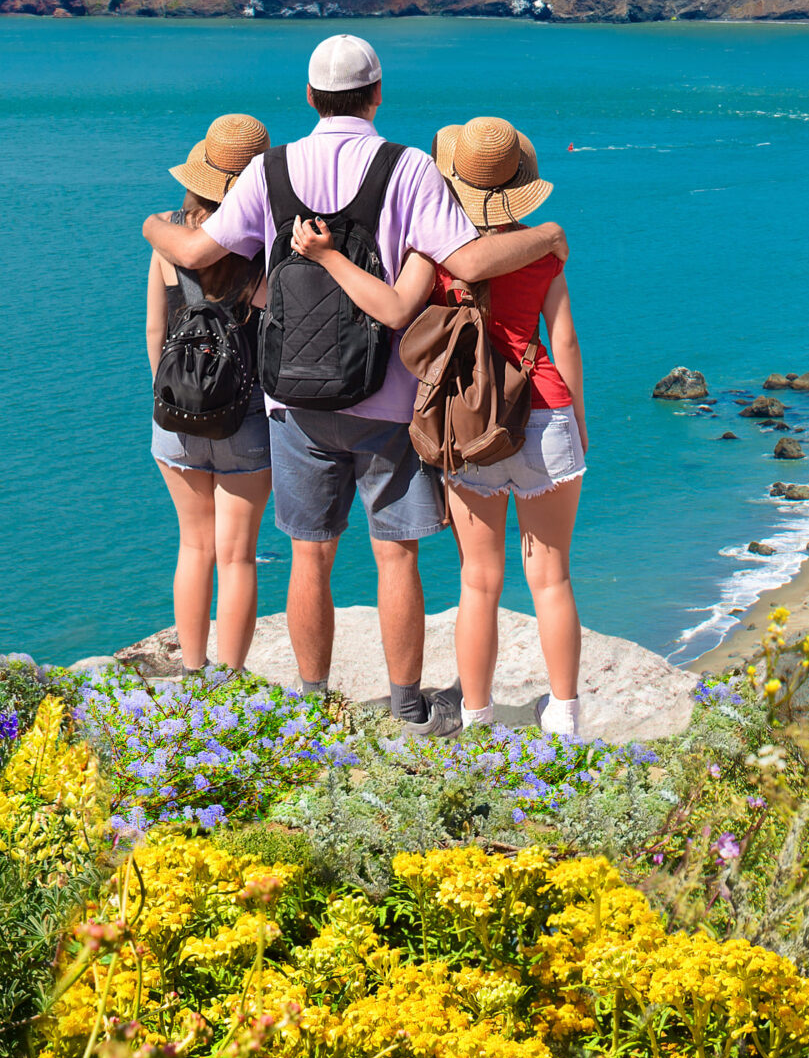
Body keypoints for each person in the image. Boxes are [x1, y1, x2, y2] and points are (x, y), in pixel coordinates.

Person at [141, 36, 566, 733]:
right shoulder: (410, 168)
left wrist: (151, 222)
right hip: (388, 394)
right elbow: (470, 256)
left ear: (309, 97)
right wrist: (546, 235)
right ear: (377, 95)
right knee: (395, 555)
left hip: (292, 399)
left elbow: (193, 252)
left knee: (310, 554)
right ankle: (405, 701)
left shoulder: (270, 170)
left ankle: (312, 700)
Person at [298, 115, 587, 737]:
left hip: (465, 422)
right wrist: (577, 425)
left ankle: (478, 717)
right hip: (544, 408)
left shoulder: (433, 253)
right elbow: (562, 341)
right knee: (552, 575)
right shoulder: (545, 251)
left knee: (478, 580)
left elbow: (394, 310)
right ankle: (564, 719)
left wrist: (325, 259)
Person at [145, 114, 274, 677]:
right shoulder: (264, 244)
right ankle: (230, 677)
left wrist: (177, 399)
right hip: (246, 417)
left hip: (175, 415)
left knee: (193, 548)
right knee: (237, 554)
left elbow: (156, 331)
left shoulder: (171, 236)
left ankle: (192, 671)